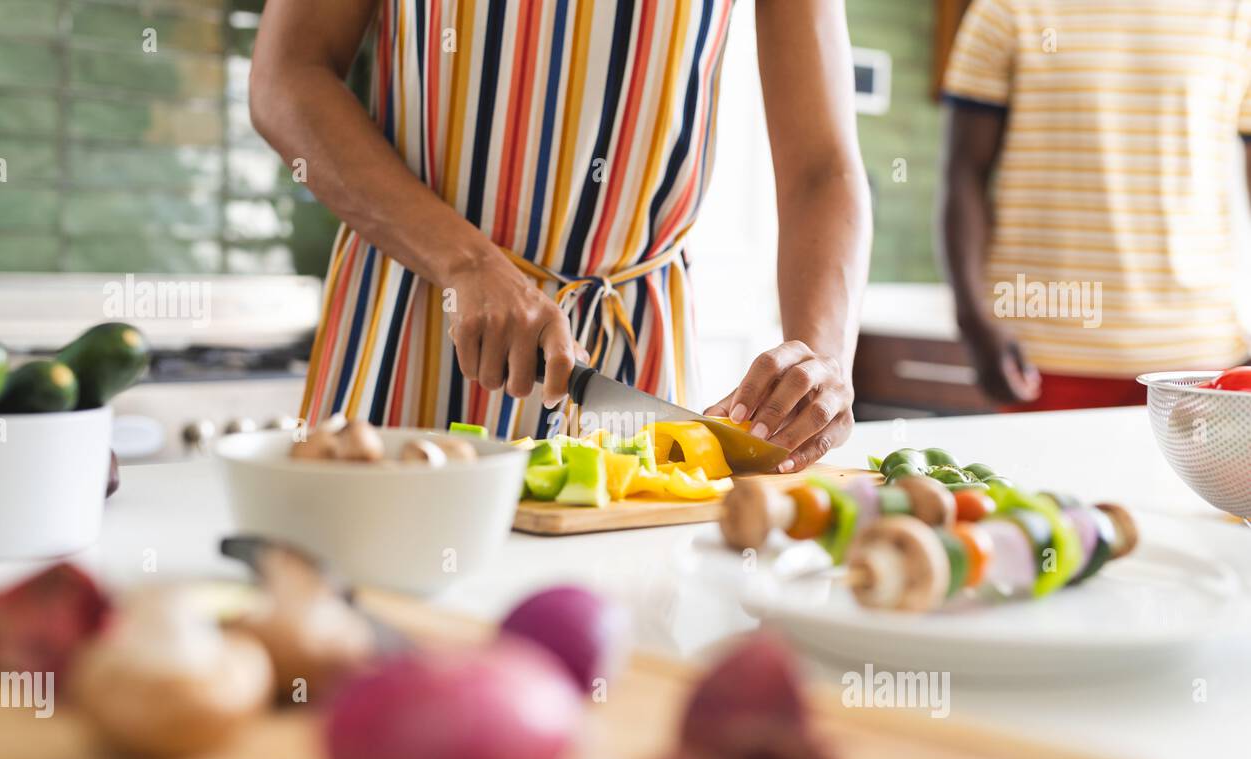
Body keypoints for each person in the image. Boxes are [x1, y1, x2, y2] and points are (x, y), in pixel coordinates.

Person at [250, 0, 870, 471]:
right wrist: (465, 263)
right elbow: (287, 76)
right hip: (413, 319)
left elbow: (825, 169)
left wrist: (822, 364)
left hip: (635, 362)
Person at [941, 0, 1251, 411]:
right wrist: (973, 320)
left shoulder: (1235, 13)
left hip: (1200, 359)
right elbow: (964, 173)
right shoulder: (1007, 8)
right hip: (1042, 354)